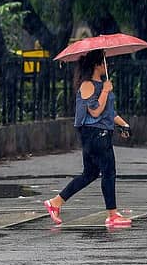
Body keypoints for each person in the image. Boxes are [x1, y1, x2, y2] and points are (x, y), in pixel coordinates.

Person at [43, 49, 133, 229]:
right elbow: (95, 111)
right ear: (96, 65)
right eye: (104, 61)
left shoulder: (101, 84)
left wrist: (124, 125)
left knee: (90, 173)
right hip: (94, 134)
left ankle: (56, 202)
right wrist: (105, 91)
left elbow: (108, 112)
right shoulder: (87, 85)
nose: (107, 65)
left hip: (101, 133)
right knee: (109, 172)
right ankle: (112, 215)